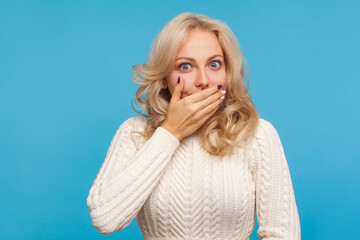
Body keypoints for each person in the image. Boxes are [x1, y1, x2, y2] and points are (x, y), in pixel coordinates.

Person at [86, 12, 301, 240]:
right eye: (186, 67)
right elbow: (105, 219)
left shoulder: (256, 135)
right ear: (164, 77)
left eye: (214, 64)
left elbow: (283, 234)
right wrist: (170, 132)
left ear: (227, 71)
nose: (204, 80)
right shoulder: (135, 133)